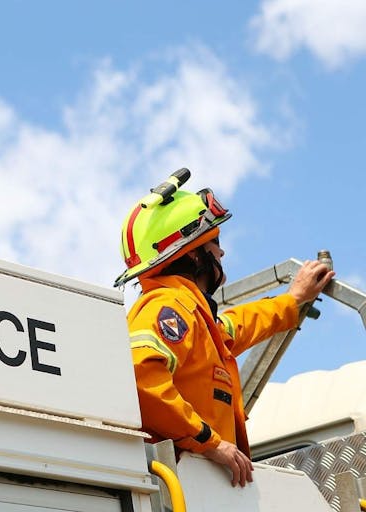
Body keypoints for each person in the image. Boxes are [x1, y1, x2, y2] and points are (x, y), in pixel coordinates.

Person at [114, 169, 335, 488]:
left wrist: (293, 300)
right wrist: (209, 441)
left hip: (198, 489)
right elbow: (140, 376)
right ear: (193, 252)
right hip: (185, 487)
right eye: (214, 242)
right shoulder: (170, 306)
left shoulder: (192, 315)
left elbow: (236, 326)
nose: (221, 252)